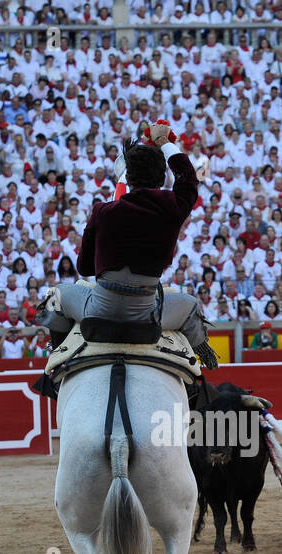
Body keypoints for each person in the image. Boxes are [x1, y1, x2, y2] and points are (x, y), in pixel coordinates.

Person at [69, 121, 217, 369]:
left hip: (100, 310)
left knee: (56, 297)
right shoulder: (172, 206)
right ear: (162, 177)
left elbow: (84, 267)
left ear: (129, 177)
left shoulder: (102, 211)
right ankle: (204, 371)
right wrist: (166, 144)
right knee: (191, 306)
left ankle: (58, 366)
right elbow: (189, 179)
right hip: (145, 313)